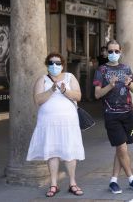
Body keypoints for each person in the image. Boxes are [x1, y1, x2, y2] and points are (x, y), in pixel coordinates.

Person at [27, 52, 85, 197]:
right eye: (51, 63)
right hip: (48, 124)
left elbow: (78, 96)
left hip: (68, 123)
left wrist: (65, 91)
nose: (55, 66)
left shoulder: (69, 77)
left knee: (70, 151)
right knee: (52, 152)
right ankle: (54, 184)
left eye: (58, 63)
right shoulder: (42, 80)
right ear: (47, 65)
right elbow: (38, 100)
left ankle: (72, 183)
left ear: (62, 65)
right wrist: (51, 90)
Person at [93, 39, 133, 194]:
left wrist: (129, 83)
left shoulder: (126, 68)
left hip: (129, 114)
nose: (113, 54)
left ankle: (113, 181)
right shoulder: (101, 70)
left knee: (121, 148)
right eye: (110, 51)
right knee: (122, 148)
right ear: (106, 52)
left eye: (116, 51)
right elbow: (97, 94)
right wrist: (110, 85)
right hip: (112, 115)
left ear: (120, 52)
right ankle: (131, 179)